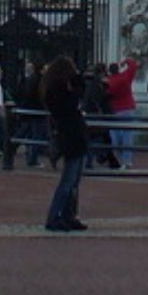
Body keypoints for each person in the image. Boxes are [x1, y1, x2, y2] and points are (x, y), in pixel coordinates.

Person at [41, 56, 90, 232]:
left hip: (73, 136)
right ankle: (54, 217)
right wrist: (77, 86)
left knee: (74, 181)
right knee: (68, 181)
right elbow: (70, 107)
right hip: (71, 137)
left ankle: (69, 215)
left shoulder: (56, 89)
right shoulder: (58, 91)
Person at [105, 57, 140, 168]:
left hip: (114, 111)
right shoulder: (125, 77)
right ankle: (127, 161)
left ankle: (119, 160)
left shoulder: (109, 82)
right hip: (128, 109)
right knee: (128, 137)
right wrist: (125, 61)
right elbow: (134, 65)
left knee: (114, 138)